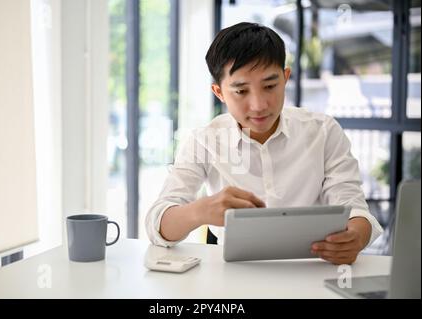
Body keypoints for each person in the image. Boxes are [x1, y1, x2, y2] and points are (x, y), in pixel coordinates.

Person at [145, 22, 383, 265]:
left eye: (270, 86)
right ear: (219, 92)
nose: (259, 105)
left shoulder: (323, 132)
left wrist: (356, 236)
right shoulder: (204, 141)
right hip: (234, 275)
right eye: (241, 91)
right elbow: (157, 227)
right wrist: (201, 211)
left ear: (286, 78)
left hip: (313, 269)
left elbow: (353, 208)